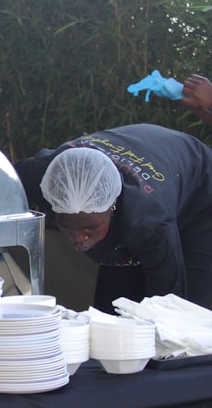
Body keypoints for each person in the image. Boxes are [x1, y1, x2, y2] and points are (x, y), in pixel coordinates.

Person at [14, 123, 212, 312]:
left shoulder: (147, 220)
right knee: (110, 313)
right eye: (68, 227)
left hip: (201, 194)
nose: (79, 239)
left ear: (112, 205)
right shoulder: (43, 176)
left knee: (182, 311)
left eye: (90, 229)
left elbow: (169, 300)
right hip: (145, 149)